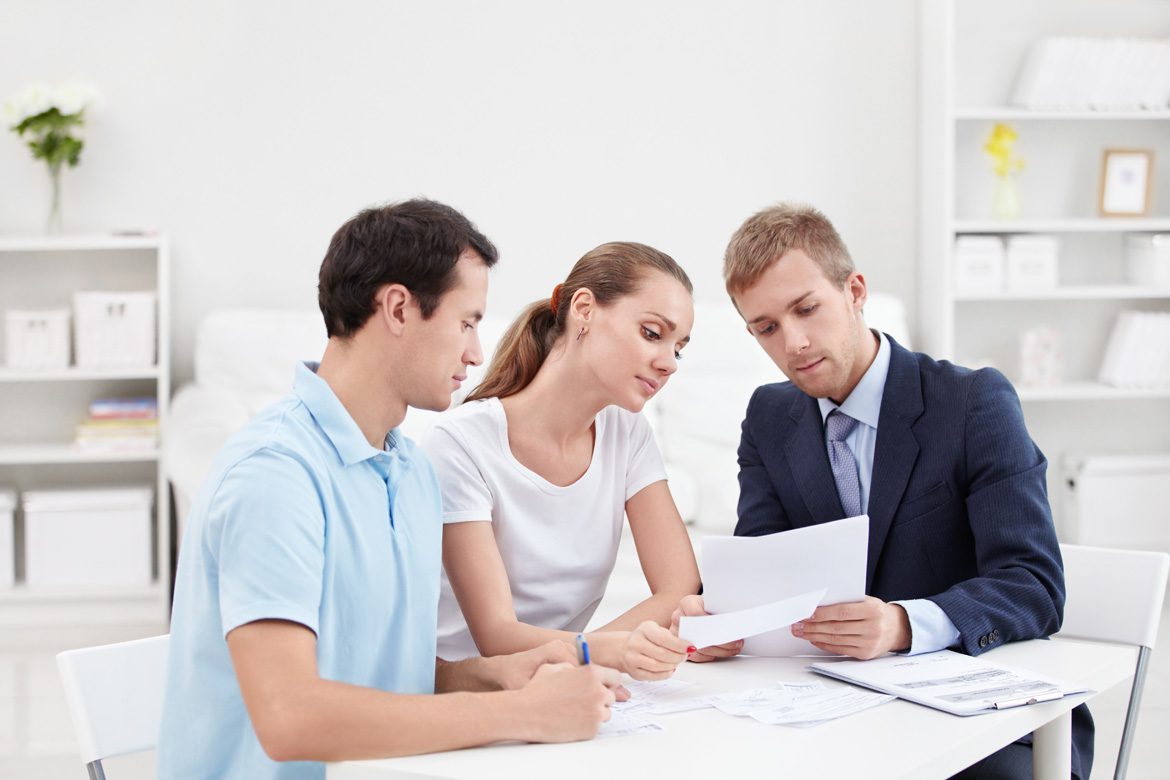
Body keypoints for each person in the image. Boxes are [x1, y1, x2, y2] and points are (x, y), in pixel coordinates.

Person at [157, 200, 623, 780]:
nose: (476, 353)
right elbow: (289, 718)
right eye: (467, 322)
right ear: (399, 308)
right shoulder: (274, 476)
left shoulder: (409, 470)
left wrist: (488, 676)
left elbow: (379, 673)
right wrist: (519, 712)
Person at [672, 203, 1092, 779]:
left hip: (985, 726)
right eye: (766, 328)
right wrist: (718, 619)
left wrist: (904, 624)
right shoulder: (769, 418)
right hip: (838, 714)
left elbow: (1034, 585)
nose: (793, 342)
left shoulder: (973, 403)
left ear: (855, 291)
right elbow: (760, 572)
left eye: (806, 309)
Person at [422, 242, 700, 681]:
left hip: (556, 683)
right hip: (465, 690)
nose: (669, 364)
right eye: (652, 333)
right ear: (584, 309)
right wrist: (602, 652)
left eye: (678, 348)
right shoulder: (460, 444)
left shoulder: (628, 434)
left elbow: (680, 586)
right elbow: (496, 636)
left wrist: (600, 656)